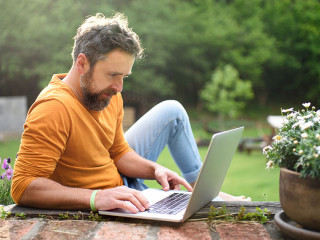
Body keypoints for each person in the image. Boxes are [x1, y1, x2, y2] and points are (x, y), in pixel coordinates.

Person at [11, 13, 248, 213]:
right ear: (82, 64)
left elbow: (119, 152)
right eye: (113, 75)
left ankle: (201, 193)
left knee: (173, 110)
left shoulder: (107, 94)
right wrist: (95, 198)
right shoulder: (54, 108)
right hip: (111, 199)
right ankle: (208, 200)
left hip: (125, 187)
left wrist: (153, 169)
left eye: (124, 77)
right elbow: (22, 186)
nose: (119, 88)